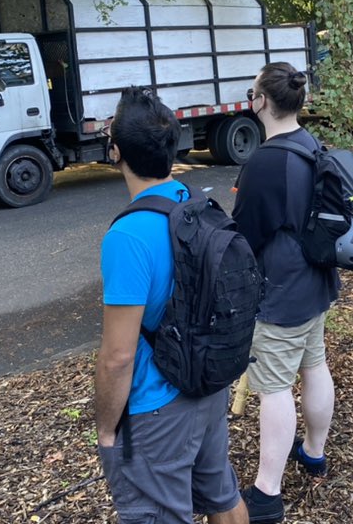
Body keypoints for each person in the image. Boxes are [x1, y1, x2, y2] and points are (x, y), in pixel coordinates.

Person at [95, 86, 247, 524]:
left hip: (156, 408)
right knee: (222, 496)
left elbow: (118, 356)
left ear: (115, 152)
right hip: (206, 384)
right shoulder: (194, 201)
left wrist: (106, 430)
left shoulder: (127, 237)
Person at [232, 62, 338, 524]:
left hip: (281, 292)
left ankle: (267, 493)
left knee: (274, 388)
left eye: (251, 93)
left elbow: (244, 235)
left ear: (261, 101)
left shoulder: (264, 161)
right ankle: (314, 452)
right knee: (314, 365)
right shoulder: (311, 144)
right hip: (316, 281)